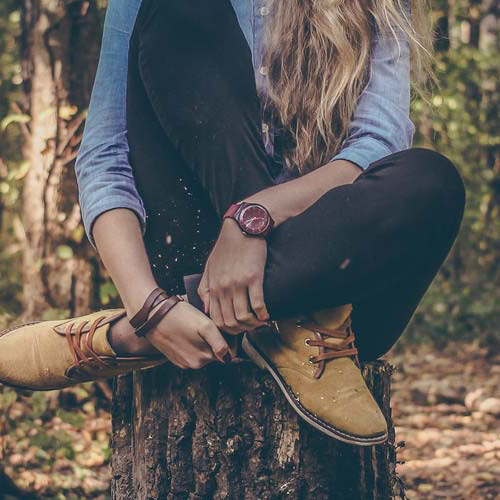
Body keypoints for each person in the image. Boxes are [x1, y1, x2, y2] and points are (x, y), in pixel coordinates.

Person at [0, 0, 465, 446]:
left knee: (432, 180)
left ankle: (124, 339)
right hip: (199, 253)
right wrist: (144, 300)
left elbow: (377, 143)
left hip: (330, 287)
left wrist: (251, 221)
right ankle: (224, 320)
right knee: (181, 9)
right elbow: (105, 158)